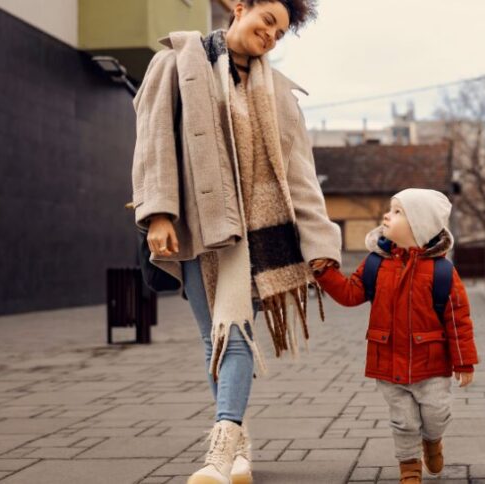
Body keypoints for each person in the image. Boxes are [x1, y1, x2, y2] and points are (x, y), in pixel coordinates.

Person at [130, 1, 339, 483]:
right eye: (268, 21)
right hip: (197, 225)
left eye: (280, 33)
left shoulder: (280, 93)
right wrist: (158, 213)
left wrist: (320, 244)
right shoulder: (177, 61)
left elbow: (301, 176)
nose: (271, 36)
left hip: (259, 236)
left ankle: (221, 451)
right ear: (240, 8)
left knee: (235, 332)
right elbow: (153, 142)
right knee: (214, 339)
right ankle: (240, 447)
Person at [314, 188, 479, 484]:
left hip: (432, 364)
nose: (387, 216)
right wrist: (325, 273)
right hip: (389, 362)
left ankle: (433, 441)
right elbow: (350, 294)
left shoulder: (442, 272)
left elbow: (458, 320)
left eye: (397, 211)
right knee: (404, 422)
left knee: (436, 415)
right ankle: (409, 468)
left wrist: (464, 361)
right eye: (390, 209)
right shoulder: (375, 264)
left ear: (419, 224)